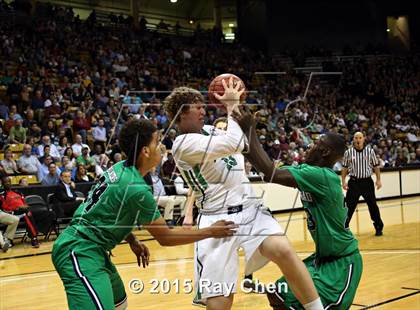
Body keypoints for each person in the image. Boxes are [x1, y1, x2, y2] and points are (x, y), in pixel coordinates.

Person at [164, 79, 322, 310]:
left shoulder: (209, 130)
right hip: (217, 219)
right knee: (220, 302)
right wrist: (231, 104)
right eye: (197, 107)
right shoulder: (182, 144)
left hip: (250, 210)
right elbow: (235, 143)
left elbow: (242, 143)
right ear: (182, 112)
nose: (203, 110)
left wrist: (239, 112)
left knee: (284, 251)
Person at [51, 119, 237, 310]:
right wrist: (211, 231)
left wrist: (132, 239)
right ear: (145, 151)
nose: (162, 147)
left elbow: (105, 212)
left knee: (119, 304)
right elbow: (166, 237)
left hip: (94, 248)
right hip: (78, 250)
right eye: (157, 142)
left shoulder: (119, 168)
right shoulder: (136, 189)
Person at [232, 107, 363, 310]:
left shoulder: (322, 176)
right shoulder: (309, 171)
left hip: (342, 263)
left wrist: (249, 129)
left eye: (315, 144)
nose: (309, 146)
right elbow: (264, 166)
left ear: (325, 151)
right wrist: (240, 134)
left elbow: (269, 173)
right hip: (321, 259)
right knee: (278, 294)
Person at [341, 132, 384, 236]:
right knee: (349, 207)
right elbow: (345, 168)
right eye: (356, 138)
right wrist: (343, 181)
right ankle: (343, 229)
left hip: (367, 182)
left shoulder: (370, 151)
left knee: (372, 206)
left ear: (364, 139)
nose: (358, 140)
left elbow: (376, 166)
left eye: (360, 138)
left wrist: (378, 180)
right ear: (353, 139)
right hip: (354, 183)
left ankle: (378, 227)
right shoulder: (348, 152)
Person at [0, 175, 40, 247]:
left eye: (9, 181)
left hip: (23, 210)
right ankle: (34, 238)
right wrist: (17, 208)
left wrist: (24, 207)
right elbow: (4, 208)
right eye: (6, 182)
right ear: (2, 184)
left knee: (37, 212)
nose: (8, 183)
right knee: (26, 212)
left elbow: (25, 203)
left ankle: (33, 235)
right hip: (12, 212)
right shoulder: (2, 195)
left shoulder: (18, 192)